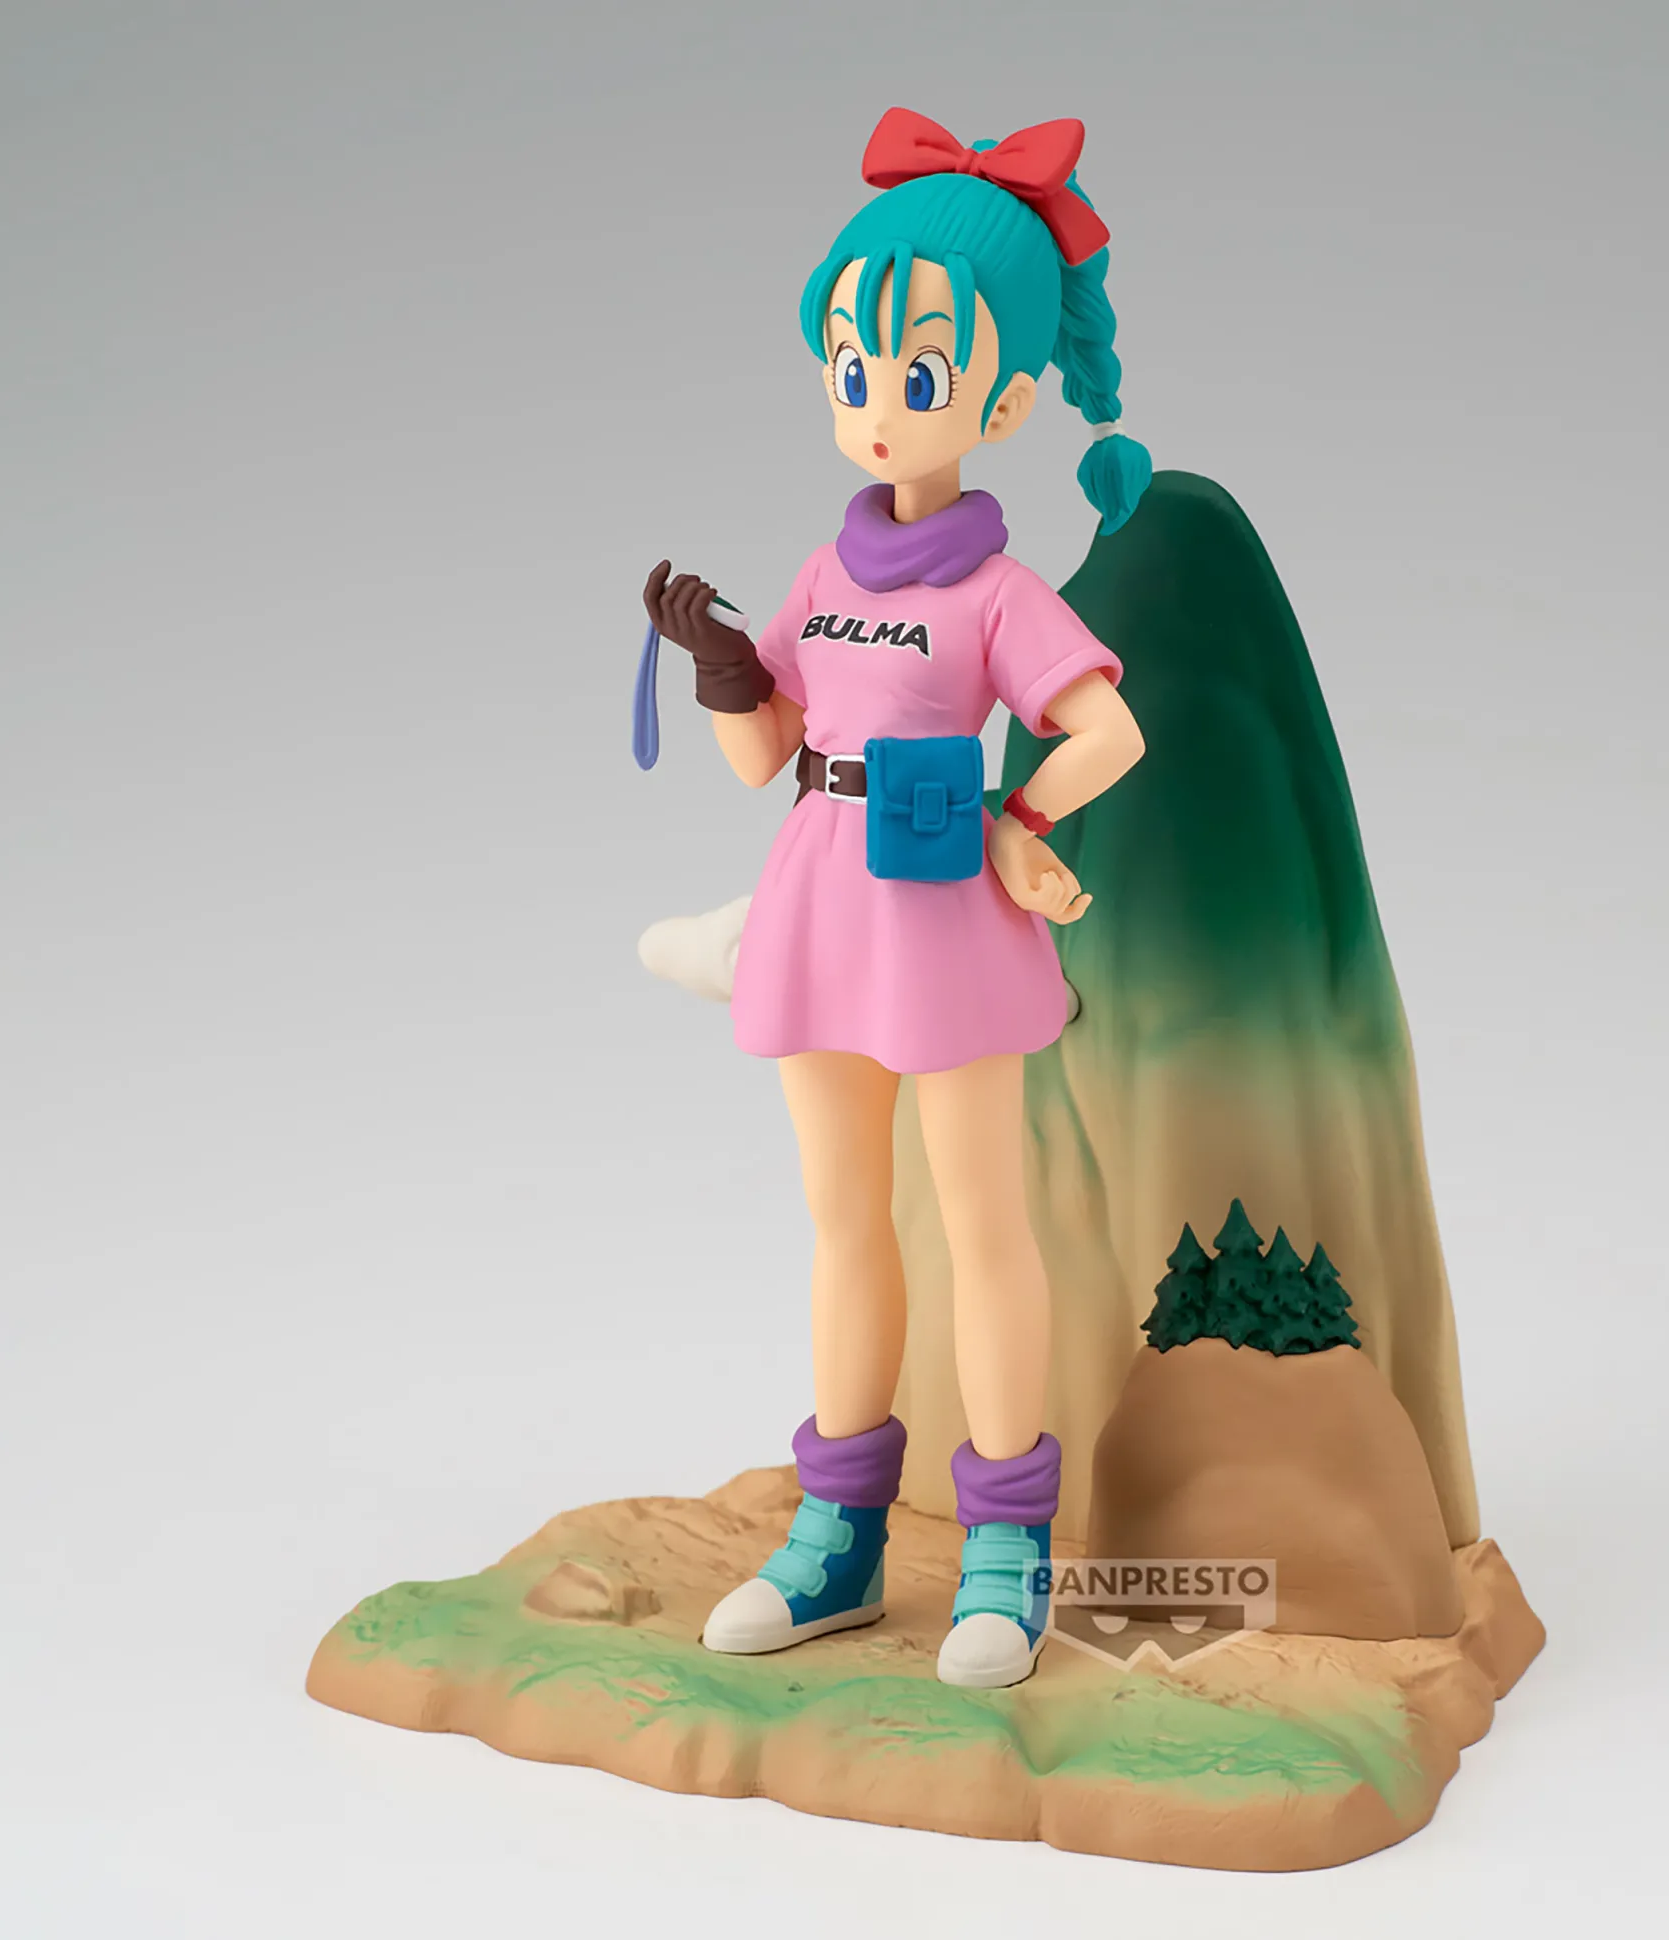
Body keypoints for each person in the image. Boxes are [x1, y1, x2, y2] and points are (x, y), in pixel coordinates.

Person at [640, 107, 1148, 1689]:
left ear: (1001, 400)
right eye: (852, 364)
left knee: (983, 1227)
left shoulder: (1000, 594)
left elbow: (1109, 731)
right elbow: (761, 758)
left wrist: (1013, 816)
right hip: (820, 892)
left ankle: (1005, 1543)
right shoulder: (819, 575)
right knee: (843, 1221)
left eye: (917, 374)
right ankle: (840, 1532)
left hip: (940, 913)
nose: (874, 403)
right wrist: (721, 666)